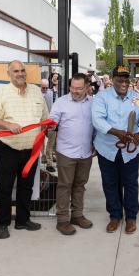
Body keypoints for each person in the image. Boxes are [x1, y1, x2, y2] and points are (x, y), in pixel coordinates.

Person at [0, 60, 49, 239]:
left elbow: (44, 118)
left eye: (22, 71)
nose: (20, 74)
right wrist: (7, 124)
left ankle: (23, 220)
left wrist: (43, 139)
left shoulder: (36, 92)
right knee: (5, 186)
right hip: (8, 147)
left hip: (31, 149)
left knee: (26, 186)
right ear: (9, 74)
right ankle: (3, 224)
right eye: (16, 71)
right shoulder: (1, 93)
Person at [92, 65, 139, 234]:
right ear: (112, 79)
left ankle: (131, 217)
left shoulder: (137, 98)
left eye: (126, 79)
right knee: (110, 183)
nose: (123, 83)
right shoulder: (102, 97)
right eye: (119, 79)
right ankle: (115, 216)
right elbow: (97, 119)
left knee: (131, 184)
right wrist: (116, 132)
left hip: (129, 152)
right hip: (107, 149)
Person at [49, 74, 95, 235]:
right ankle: (62, 220)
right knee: (64, 186)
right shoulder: (61, 102)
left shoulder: (93, 103)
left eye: (79, 88)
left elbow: (96, 125)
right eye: (73, 88)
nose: (75, 91)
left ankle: (77, 215)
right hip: (66, 152)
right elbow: (52, 121)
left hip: (85, 153)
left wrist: (95, 144)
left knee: (80, 185)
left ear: (87, 87)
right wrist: (51, 124)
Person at [41, 78, 56, 172]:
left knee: (50, 142)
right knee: (41, 140)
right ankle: (44, 155)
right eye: (43, 88)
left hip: (50, 121)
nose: (45, 90)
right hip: (40, 122)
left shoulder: (52, 93)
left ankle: (49, 163)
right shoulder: (35, 95)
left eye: (46, 88)